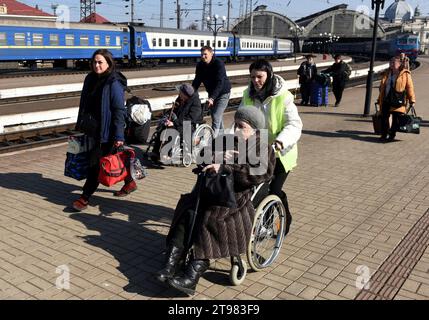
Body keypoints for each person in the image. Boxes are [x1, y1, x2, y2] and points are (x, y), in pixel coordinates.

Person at [156, 106, 276, 295]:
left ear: (254, 129)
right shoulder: (227, 140)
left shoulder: (263, 147)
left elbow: (261, 173)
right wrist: (217, 157)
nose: (235, 130)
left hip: (235, 198)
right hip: (212, 189)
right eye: (235, 124)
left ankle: (192, 274)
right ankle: (171, 262)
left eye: (241, 126)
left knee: (209, 217)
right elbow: (201, 156)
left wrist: (229, 167)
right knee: (187, 209)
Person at [240, 59, 303, 236]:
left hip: (281, 153)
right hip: (258, 150)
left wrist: (280, 142)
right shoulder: (248, 94)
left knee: (272, 190)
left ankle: (284, 219)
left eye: (259, 76)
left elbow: (294, 125)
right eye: (252, 77)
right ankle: (261, 224)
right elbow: (240, 120)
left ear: (269, 75)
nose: (255, 80)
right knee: (257, 188)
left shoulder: (284, 96)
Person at [72, 49, 135, 211]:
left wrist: (119, 135)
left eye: (100, 62)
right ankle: (130, 182)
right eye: (94, 62)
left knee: (96, 164)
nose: (96, 65)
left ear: (108, 63)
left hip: (107, 132)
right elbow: (84, 104)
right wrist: (80, 124)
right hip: (92, 129)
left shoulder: (113, 82)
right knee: (113, 159)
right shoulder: (90, 79)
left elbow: (119, 111)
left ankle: (84, 197)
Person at [150, 83, 203, 162]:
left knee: (171, 130)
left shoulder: (196, 103)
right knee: (163, 126)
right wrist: (168, 117)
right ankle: (156, 151)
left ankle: (166, 154)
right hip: (177, 122)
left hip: (188, 125)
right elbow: (173, 109)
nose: (179, 94)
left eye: (180, 92)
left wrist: (175, 123)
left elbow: (190, 118)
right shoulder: (180, 99)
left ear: (185, 94)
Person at [192, 46, 231, 138]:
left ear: (211, 54)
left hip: (223, 93)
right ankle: (221, 138)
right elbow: (197, 80)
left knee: (216, 115)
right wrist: (191, 93)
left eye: (205, 54)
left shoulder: (218, 64)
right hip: (212, 93)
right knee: (217, 117)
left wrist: (212, 98)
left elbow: (220, 82)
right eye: (201, 54)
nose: (203, 56)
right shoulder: (200, 65)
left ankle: (214, 141)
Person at [377, 55, 416, 142]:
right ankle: (384, 134)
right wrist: (379, 98)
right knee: (384, 117)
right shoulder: (387, 73)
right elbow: (382, 87)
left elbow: (410, 87)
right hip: (386, 98)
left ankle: (392, 135)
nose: (391, 64)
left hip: (398, 99)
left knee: (395, 119)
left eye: (393, 62)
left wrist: (412, 100)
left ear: (399, 64)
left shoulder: (405, 74)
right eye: (390, 62)